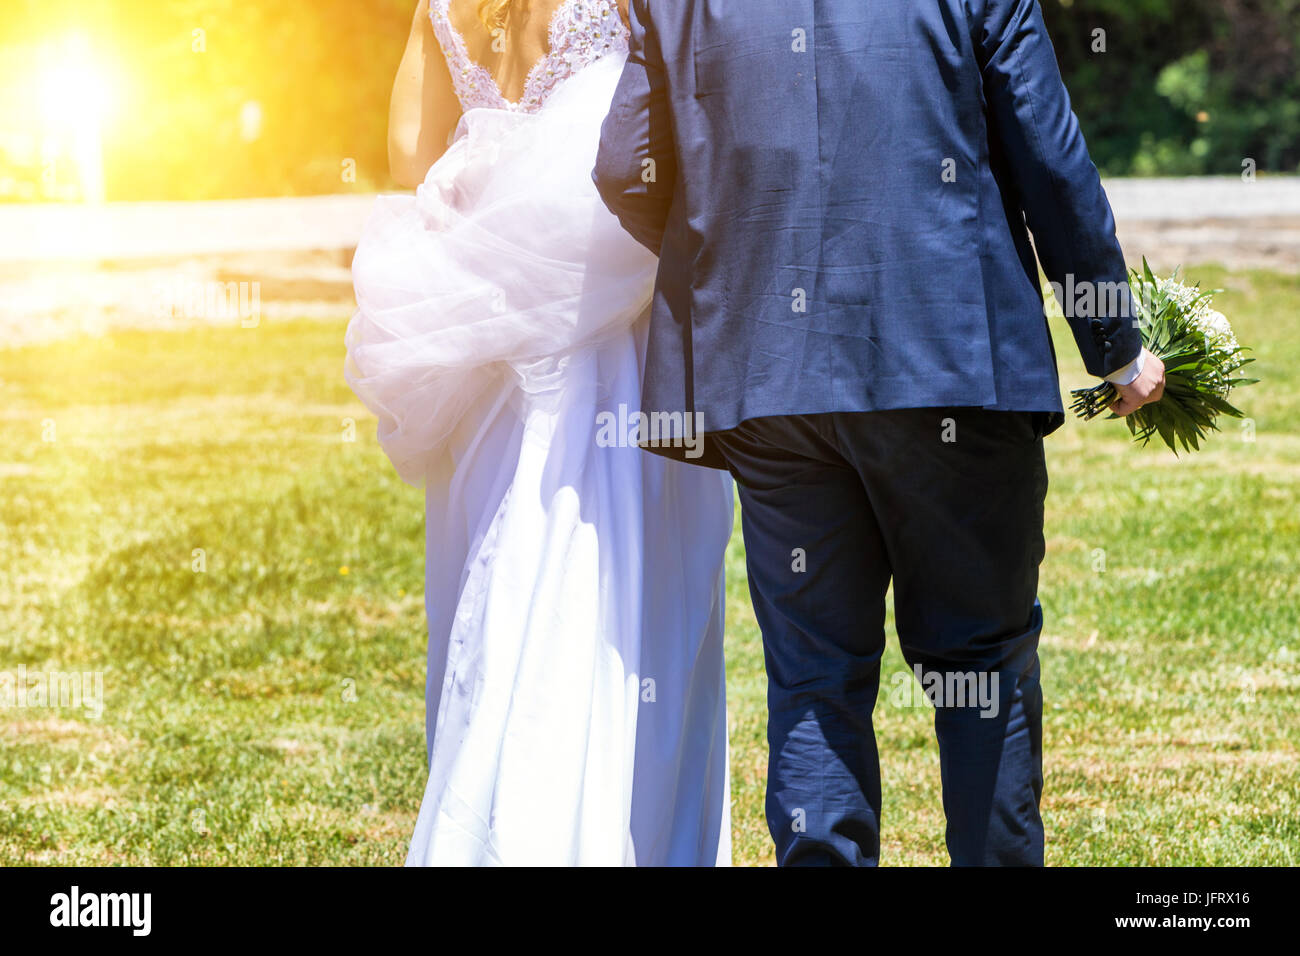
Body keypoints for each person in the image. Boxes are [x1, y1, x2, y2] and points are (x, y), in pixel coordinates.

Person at [594, 0, 1166, 865]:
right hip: (949, 357)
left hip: (769, 382)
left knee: (814, 676)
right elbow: (1049, 156)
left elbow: (623, 169)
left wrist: (731, 257)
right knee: (979, 664)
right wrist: (1117, 346)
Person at [345, 0, 734, 866]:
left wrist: (506, 186)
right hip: (619, 364)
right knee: (608, 605)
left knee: (499, 581)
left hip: (495, 373)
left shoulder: (439, 12)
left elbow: (412, 167)